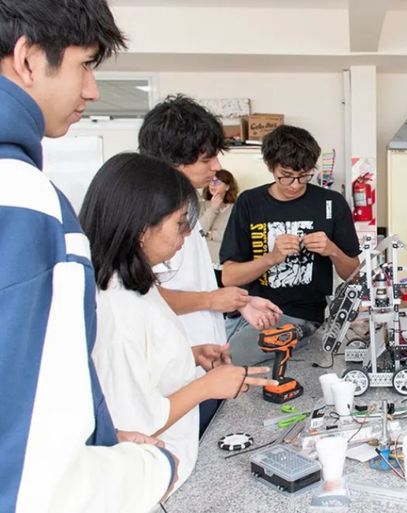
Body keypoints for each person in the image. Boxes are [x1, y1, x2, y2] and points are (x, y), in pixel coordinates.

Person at [0, 1, 176, 512]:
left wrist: (94, 438)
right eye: (85, 65)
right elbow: (35, 487)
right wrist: (151, 468)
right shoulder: (24, 201)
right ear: (28, 58)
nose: (93, 90)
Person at [80, 152, 276, 493]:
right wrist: (208, 386)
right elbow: (135, 423)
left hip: (172, 465)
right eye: (178, 224)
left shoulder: (135, 284)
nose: (184, 237)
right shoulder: (118, 304)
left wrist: (189, 355)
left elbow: (142, 363)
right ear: (142, 228)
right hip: (153, 479)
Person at [139, 95, 281, 433]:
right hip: (176, 378)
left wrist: (238, 301)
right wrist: (212, 300)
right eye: (207, 158)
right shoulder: (152, 218)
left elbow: (192, 280)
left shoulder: (186, 205)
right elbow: (140, 295)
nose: (216, 166)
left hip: (203, 361)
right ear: (173, 160)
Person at [220, 124, 361, 365]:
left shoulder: (331, 203)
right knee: (209, 354)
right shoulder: (249, 203)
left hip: (301, 316)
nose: (295, 185)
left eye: (304, 176)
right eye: (285, 175)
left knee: (231, 357)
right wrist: (271, 258)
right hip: (250, 309)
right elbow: (229, 277)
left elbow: (354, 275)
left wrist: (333, 251)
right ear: (270, 166)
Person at [200, 169, 239, 286]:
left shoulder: (236, 209)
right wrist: (213, 208)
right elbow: (198, 232)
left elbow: (234, 235)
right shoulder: (201, 206)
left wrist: (211, 234)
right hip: (205, 264)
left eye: (217, 182)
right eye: (211, 181)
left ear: (227, 187)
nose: (212, 184)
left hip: (228, 264)